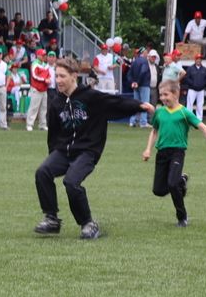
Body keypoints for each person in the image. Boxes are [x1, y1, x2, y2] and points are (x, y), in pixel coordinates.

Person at [33, 57, 154, 240]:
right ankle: (51, 219)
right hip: (63, 151)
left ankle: (88, 224)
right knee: (42, 172)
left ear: (74, 76)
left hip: (87, 151)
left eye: (62, 76)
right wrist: (53, 157)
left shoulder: (90, 96)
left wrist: (139, 106)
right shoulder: (56, 102)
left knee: (71, 182)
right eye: (56, 76)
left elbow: (115, 103)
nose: (58, 80)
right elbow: (54, 133)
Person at [141, 80, 206, 227]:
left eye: (166, 94)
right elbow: (154, 130)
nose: (163, 98)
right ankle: (181, 180)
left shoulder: (184, 113)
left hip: (177, 152)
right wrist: (148, 149)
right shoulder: (159, 112)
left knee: (172, 184)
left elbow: (202, 127)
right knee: (158, 191)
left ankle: (182, 217)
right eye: (161, 95)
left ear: (176, 94)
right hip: (162, 154)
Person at [25, 48, 51, 132]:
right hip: (36, 88)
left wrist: (49, 79)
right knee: (34, 107)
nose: (44, 56)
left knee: (44, 108)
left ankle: (42, 124)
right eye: (43, 55)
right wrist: (44, 80)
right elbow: (34, 76)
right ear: (38, 55)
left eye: (45, 55)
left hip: (44, 89)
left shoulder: (45, 65)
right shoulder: (35, 64)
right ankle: (29, 124)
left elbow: (48, 74)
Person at [127, 48, 151, 127]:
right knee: (145, 103)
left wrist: (132, 82)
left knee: (135, 103)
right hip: (143, 84)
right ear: (143, 53)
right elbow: (143, 72)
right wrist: (138, 82)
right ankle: (143, 122)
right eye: (147, 52)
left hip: (136, 85)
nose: (147, 54)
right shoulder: (144, 61)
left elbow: (129, 74)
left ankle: (132, 121)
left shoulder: (135, 61)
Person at [182, 53, 206, 120]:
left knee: (200, 105)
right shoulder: (190, 69)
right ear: (195, 60)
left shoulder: (204, 69)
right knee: (190, 104)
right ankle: (189, 118)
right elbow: (187, 78)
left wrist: (203, 84)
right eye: (197, 59)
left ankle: (199, 119)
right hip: (192, 89)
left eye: (200, 59)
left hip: (201, 90)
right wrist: (192, 84)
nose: (199, 60)